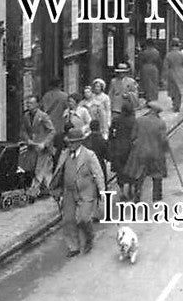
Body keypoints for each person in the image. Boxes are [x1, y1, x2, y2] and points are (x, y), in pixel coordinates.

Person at [51, 127, 106, 257]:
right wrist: (55, 189)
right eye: (69, 142)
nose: (70, 145)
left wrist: (102, 191)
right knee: (68, 220)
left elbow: (98, 173)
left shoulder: (89, 155)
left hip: (86, 191)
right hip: (69, 192)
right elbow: (58, 172)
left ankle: (89, 237)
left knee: (83, 219)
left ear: (79, 142)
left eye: (73, 142)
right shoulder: (64, 154)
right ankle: (73, 246)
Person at [127, 102, 172, 202]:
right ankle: (156, 197)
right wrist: (166, 149)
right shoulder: (161, 123)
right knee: (157, 174)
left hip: (141, 152)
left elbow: (133, 136)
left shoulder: (139, 120)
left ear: (149, 110)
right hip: (156, 153)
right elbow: (163, 140)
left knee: (139, 174)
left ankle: (137, 192)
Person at [20, 95, 58, 197]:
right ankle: (48, 188)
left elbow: (52, 131)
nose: (28, 105)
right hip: (32, 146)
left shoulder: (43, 116)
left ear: (37, 104)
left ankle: (33, 192)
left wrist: (44, 143)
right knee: (34, 168)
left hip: (42, 147)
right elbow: (23, 130)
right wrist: (27, 139)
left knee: (39, 169)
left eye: (31, 103)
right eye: (27, 103)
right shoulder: (26, 116)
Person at [108, 100, 138, 200]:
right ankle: (130, 188)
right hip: (130, 149)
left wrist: (111, 147)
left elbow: (111, 135)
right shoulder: (133, 121)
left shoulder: (116, 120)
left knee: (119, 171)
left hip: (118, 149)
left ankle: (122, 191)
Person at [162, 38, 183, 113]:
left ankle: (175, 105)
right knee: (181, 90)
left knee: (173, 91)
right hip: (181, 74)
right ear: (178, 46)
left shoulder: (168, 55)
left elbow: (165, 67)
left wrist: (164, 78)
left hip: (171, 74)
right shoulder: (182, 55)